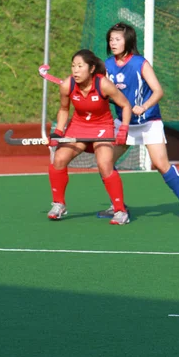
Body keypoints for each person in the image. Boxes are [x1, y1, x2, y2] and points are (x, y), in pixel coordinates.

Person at [103, 22, 179, 223]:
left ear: (128, 41)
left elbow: (158, 91)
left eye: (117, 39)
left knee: (160, 163)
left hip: (148, 122)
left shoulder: (140, 63)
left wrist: (144, 106)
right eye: (111, 39)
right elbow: (106, 91)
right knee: (105, 162)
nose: (113, 43)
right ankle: (118, 206)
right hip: (123, 123)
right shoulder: (108, 65)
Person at [47, 49, 132, 225]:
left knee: (104, 164)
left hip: (102, 126)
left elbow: (125, 105)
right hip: (78, 126)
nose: (75, 70)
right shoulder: (67, 85)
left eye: (80, 66)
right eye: (73, 66)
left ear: (91, 68)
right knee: (59, 159)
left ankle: (120, 211)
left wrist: (123, 129)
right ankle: (58, 204)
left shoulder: (104, 84)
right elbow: (64, 109)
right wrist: (59, 132)